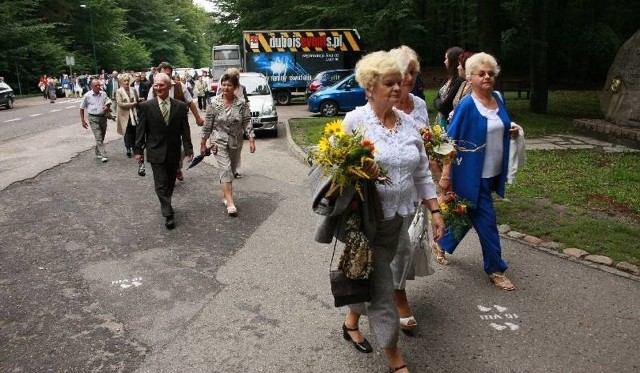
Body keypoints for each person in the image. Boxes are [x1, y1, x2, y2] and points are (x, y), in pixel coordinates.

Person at [338, 51, 445, 373]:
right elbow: (334, 171)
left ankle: (351, 320)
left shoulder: (410, 124)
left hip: (401, 216)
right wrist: (358, 170)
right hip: (367, 219)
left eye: (400, 82)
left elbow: (422, 173)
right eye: (390, 83)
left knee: (368, 274)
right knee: (383, 287)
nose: (398, 88)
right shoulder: (355, 121)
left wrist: (435, 210)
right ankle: (394, 358)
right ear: (370, 86)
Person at [437, 52, 520, 291]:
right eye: (481, 74)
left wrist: (510, 132)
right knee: (487, 221)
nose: (487, 77)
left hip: (492, 172)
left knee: (465, 214)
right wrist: (445, 175)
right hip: (471, 175)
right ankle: (496, 269)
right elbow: (449, 141)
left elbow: (500, 126)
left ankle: (440, 243)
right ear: (470, 77)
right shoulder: (467, 105)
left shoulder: (498, 99)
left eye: (490, 74)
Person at [388, 45, 433, 334]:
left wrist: (438, 185)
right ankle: (397, 297)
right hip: (386, 191)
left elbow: (427, 146)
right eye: (405, 72)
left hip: (414, 188)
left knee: (408, 245)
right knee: (396, 247)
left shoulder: (419, 106)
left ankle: (391, 290)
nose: (409, 78)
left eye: (413, 73)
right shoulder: (381, 104)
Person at [135, 73, 194, 230]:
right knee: (160, 183)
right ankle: (168, 213)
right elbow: (141, 131)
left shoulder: (180, 107)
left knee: (169, 182)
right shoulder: (146, 107)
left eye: (161, 85)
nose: (158, 88)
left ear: (169, 87)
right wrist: (138, 150)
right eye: (156, 85)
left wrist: (188, 150)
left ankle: (166, 201)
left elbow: (185, 130)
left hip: (174, 151)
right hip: (155, 150)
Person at [200, 73, 255, 217]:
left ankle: (225, 195)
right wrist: (203, 143)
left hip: (236, 141)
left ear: (236, 87)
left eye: (229, 85)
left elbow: (247, 121)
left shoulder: (241, 104)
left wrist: (251, 138)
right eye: (223, 84)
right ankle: (230, 202)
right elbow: (207, 125)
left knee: (231, 169)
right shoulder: (213, 103)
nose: (225, 87)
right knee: (225, 169)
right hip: (218, 141)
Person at [148, 62, 205, 182]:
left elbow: (190, 102)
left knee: (179, 149)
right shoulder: (154, 88)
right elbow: (148, 107)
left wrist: (198, 118)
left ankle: (176, 167)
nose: (167, 76)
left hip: (177, 122)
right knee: (163, 148)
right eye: (164, 73)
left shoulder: (180, 86)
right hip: (160, 124)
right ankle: (170, 170)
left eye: (169, 74)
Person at [80, 78, 113, 162]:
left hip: (103, 117)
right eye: (96, 85)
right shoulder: (87, 96)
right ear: (91, 86)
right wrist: (83, 121)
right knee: (98, 136)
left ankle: (97, 151)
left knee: (102, 135)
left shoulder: (103, 94)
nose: (98, 87)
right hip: (93, 118)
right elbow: (81, 108)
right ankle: (103, 154)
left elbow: (108, 101)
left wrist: (107, 106)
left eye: (99, 85)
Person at [433, 46, 464, 129]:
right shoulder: (448, 78)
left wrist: (439, 102)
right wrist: (439, 102)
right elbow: (435, 99)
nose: (445, 62)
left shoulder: (459, 81)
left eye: (446, 59)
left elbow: (444, 106)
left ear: (452, 61)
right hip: (440, 120)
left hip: (448, 122)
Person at [115, 73, 140, 158]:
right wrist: (133, 104)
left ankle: (134, 147)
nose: (126, 82)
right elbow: (120, 104)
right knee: (127, 132)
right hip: (124, 115)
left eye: (127, 81)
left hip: (133, 114)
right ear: (121, 82)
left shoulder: (133, 89)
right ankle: (128, 148)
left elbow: (137, 99)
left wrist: (140, 100)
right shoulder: (119, 91)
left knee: (134, 131)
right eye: (124, 81)